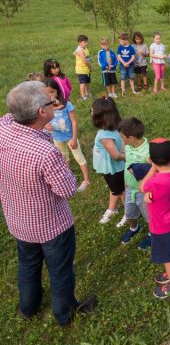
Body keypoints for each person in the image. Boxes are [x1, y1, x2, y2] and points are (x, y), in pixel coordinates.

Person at [0, 81, 98, 326]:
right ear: (41, 112)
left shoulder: (3, 128)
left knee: (28, 264)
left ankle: (28, 307)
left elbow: (12, 112)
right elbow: (66, 190)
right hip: (51, 225)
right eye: (50, 100)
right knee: (60, 271)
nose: (55, 103)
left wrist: (42, 128)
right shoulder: (46, 153)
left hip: (18, 219)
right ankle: (64, 314)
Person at [141, 139, 170, 299]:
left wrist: (152, 167)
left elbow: (142, 186)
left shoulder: (154, 181)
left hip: (160, 226)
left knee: (167, 257)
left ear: (151, 160)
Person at [44, 78, 90, 193]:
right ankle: (68, 178)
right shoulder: (45, 107)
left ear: (58, 91)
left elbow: (74, 121)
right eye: (47, 92)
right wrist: (45, 126)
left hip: (70, 137)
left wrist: (74, 138)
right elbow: (43, 120)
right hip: (57, 138)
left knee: (79, 157)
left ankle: (86, 180)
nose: (50, 95)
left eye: (52, 92)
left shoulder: (67, 105)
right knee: (64, 158)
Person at [117, 117, 152, 249]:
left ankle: (152, 234)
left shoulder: (148, 152)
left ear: (131, 137)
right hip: (129, 189)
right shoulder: (128, 146)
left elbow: (154, 173)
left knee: (150, 217)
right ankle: (134, 228)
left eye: (122, 137)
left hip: (143, 192)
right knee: (129, 213)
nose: (121, 139)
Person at [91, 96, 126, 225]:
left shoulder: (104, 135)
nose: (91, 112)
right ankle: (112, 209)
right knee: (114, 189)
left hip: (113, 168)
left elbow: (116, 156)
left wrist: (124, 156)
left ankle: (129, 213)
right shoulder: (116, 128)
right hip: (114, 169)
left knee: (122, 191)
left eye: (92, 110)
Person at [74, 34, 92, 100]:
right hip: (81, 70)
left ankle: (87, 93)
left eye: (87, 42)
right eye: (85, 42)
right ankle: (83, 95)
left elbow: (87, 58)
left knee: (87, 82)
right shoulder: (80, 50)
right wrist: (90, 67)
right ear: (80, 42)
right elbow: (85, 61)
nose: (86, 43)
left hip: (86, 69)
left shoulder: (85, 48)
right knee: (83, 83)